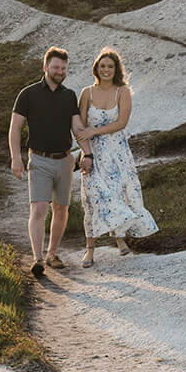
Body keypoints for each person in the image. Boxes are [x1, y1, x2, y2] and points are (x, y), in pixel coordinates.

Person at [9, 46, 94, 279]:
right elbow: (15, 127)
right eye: (56, 67)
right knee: (39, 209)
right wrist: (16, 157)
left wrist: (87, 154)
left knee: (61, 209)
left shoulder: (69, 96)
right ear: (45, 67)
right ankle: (37, 259)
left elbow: (77, 128)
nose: (60, 71)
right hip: (39, 160)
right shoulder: (28, 94)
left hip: (65, 160)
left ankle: (52, 253)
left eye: (64, 68)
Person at [78, 47, 157, 267]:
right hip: (94, 154)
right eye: (102, 65)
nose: (106, 70)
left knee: (117, 194)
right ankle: (89, 250)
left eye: (110, 66)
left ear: (116, 69)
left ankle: (119, 239)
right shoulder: (87, 93)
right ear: (96, 68)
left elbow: (121, 123)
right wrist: (86, 152)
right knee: (93, 199)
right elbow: (80, 127)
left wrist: (93, 131)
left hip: (118, 154)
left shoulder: (122, 91)